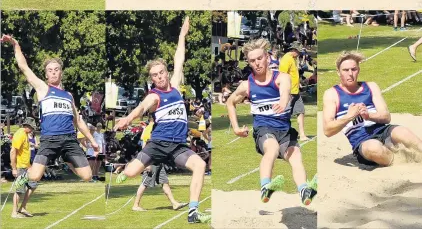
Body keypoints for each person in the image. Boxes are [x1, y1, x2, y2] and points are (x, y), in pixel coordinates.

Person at [113, 17, 210, 224]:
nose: (159, 77)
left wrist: (182, 35)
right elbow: (140, 109)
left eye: (161, 73)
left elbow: (179, 58)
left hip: (177, 146)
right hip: (157, 144)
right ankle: (122, 170)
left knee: (200, 165)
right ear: (152, 79)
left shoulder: (175, 85)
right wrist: (128, 119)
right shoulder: (154, 96)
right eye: (154, 75)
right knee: (130, 173)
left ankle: (193, 212)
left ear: (166, 73)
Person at [1, 35, 99, 190]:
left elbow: (78, 121)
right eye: (50, 70)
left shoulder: (69, 96)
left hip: (69, 140)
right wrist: (16, 44)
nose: (53, 73)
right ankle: (23, 177)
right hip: (49, 140)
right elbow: (23, 67)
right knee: (34, 176)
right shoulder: (42, 88)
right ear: (46, 74)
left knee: (87, 176)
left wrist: (92, 140)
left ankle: (67, 159)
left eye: (56, 70)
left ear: (61, 73)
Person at [226, 38, 317, 206]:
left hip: (284, 129)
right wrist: (236, 128)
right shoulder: (247, 86)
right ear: (249, 63)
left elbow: (285, 92)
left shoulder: (281, 78)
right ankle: (265, 186)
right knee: (272, 148)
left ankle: (304, 190)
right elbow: (230, 102)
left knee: (296, 156)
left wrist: (283, 102)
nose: (257, 63)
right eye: (252, 61)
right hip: (264, 128)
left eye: (259, 58)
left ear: (267, 57)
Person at [323, 51, 422, 166]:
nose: (350, 73)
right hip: (362, 141)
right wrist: (349, 116)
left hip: (382, 131)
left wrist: (368, 115)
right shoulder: (332, 94)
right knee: (374, 148)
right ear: (338, 72)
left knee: (403, 132)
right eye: (346, 70)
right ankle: (401, 163)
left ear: (358, 70)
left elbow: (386, 117)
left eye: (354, 69)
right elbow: (327, 130)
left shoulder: (371, 87)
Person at [132, 117, 187, 212]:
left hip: (159, 160)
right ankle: (135, 205)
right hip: (151, 161)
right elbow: (144, 146)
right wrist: (146, 163)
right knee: (145, 184)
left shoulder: (157, 128)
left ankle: (174, 203)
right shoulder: (149, 128)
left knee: (165, 182)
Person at [279, 42, 309, 141]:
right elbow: (282, 75)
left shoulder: (293, 59)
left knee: (300, 111)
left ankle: (302, 135)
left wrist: (298, 83)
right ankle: (282, 134)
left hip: (295, 91)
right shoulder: (286, 59)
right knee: (285, 114)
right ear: (294, 50)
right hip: (288, 92)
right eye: (299, 51)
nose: (300, 54)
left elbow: (293, 74)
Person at [10, 118, 38, 219]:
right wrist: (14, 168)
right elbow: (13, 151)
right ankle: (14, 212)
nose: (32, 130)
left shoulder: (25, 134)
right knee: (19, 190)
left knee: (33, 184)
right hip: (20, 167)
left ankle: (22, 207)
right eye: (32, 128)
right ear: (27, 126)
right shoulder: (20, 134)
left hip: (27, 166)